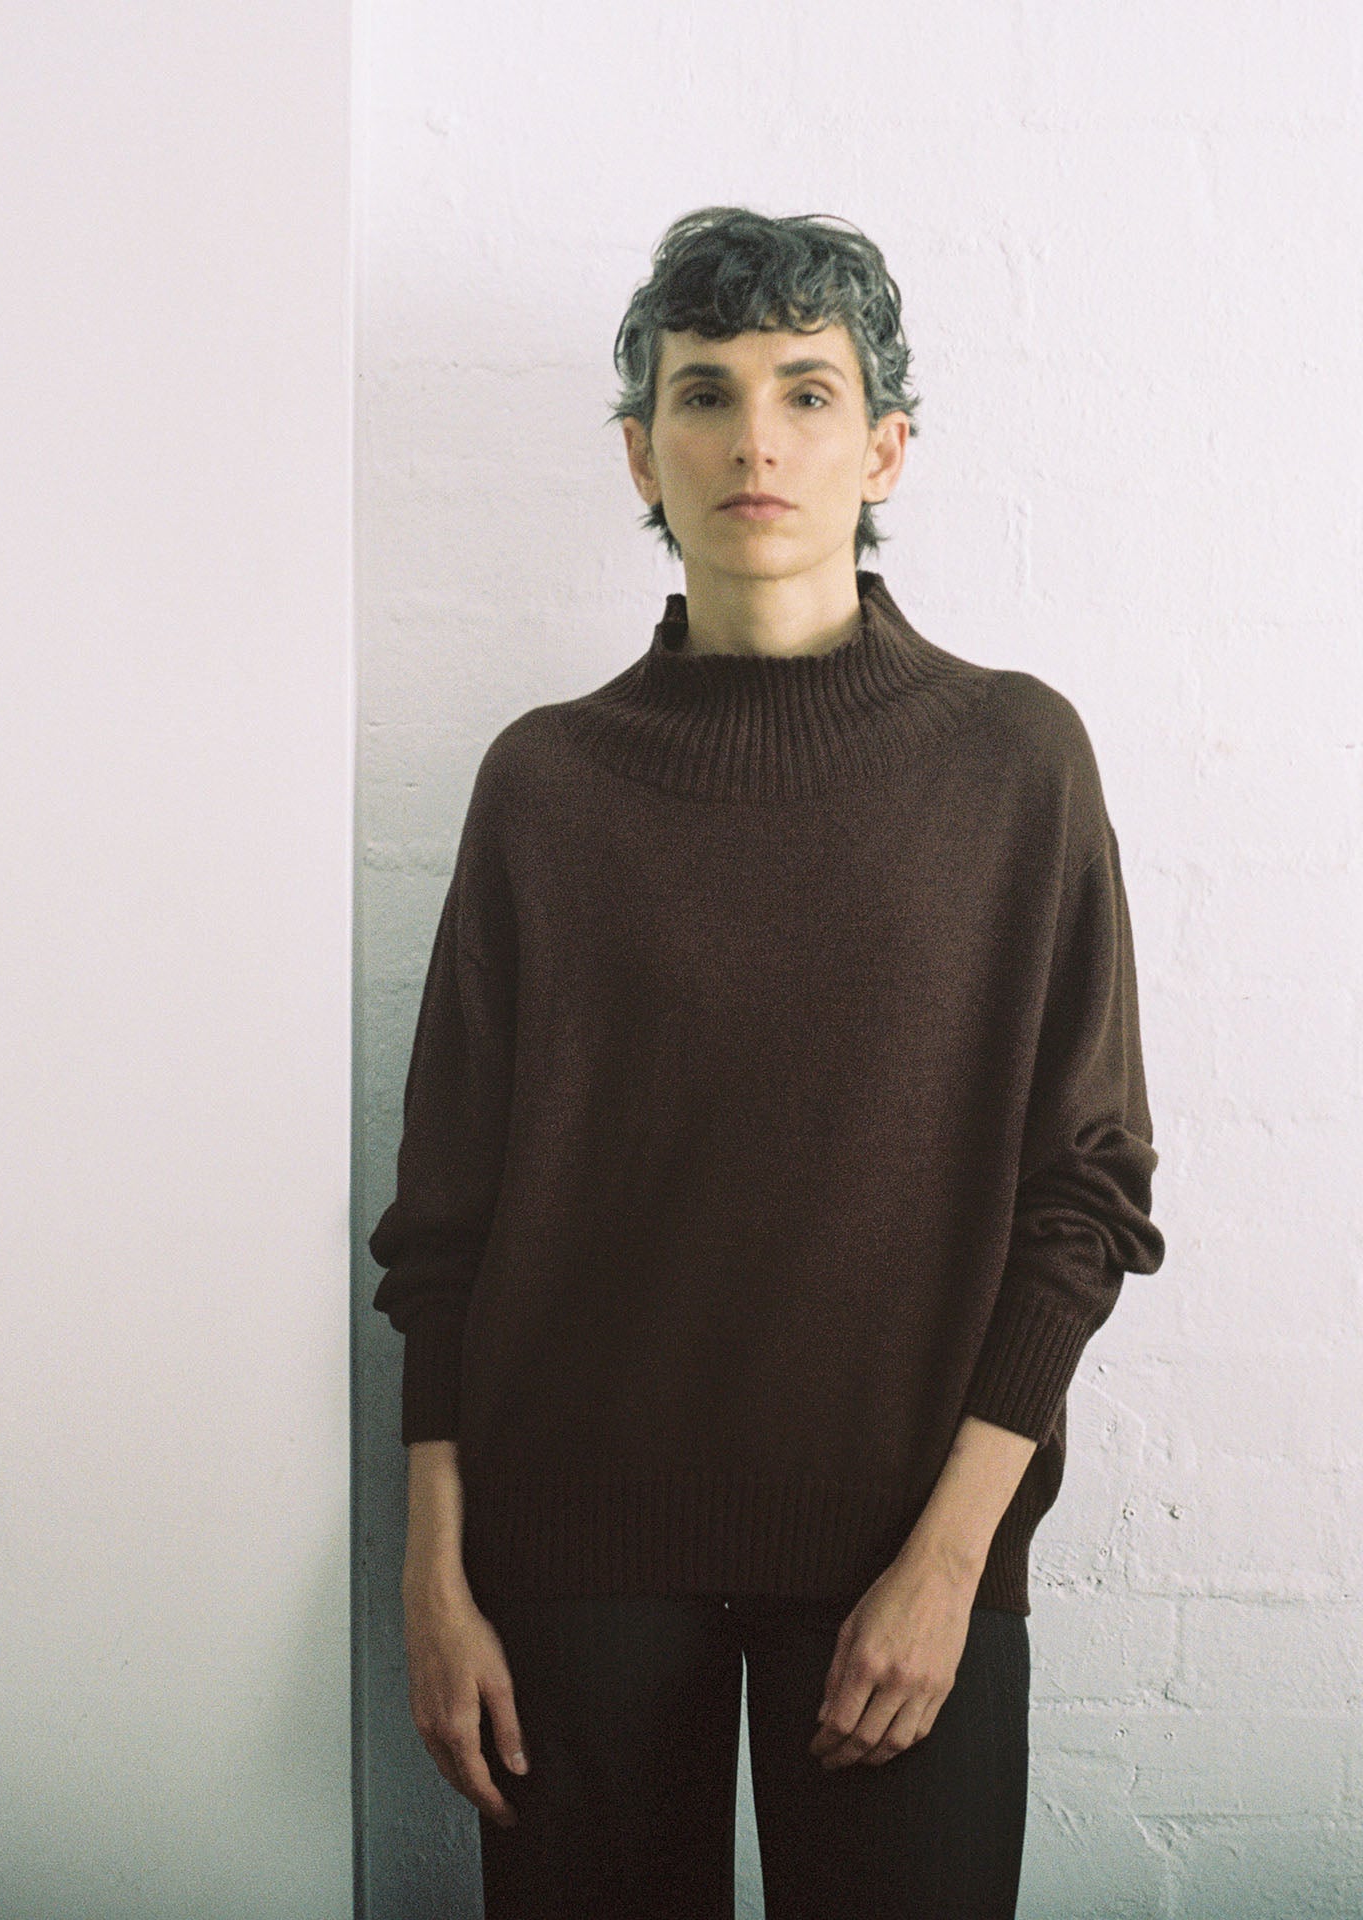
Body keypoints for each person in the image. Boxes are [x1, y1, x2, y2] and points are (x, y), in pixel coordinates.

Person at [368, 205, 1166, 1919]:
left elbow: (1086, 1194)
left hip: (902, 1563)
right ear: (640, 457)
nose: (754, 438)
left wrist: (955, 1563)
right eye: (704, 394)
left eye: (807, 392)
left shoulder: (1013, 761)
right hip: (568, 1567)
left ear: (885, 445)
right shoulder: (548, 786)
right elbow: (442, 1229)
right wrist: (433, 1588)